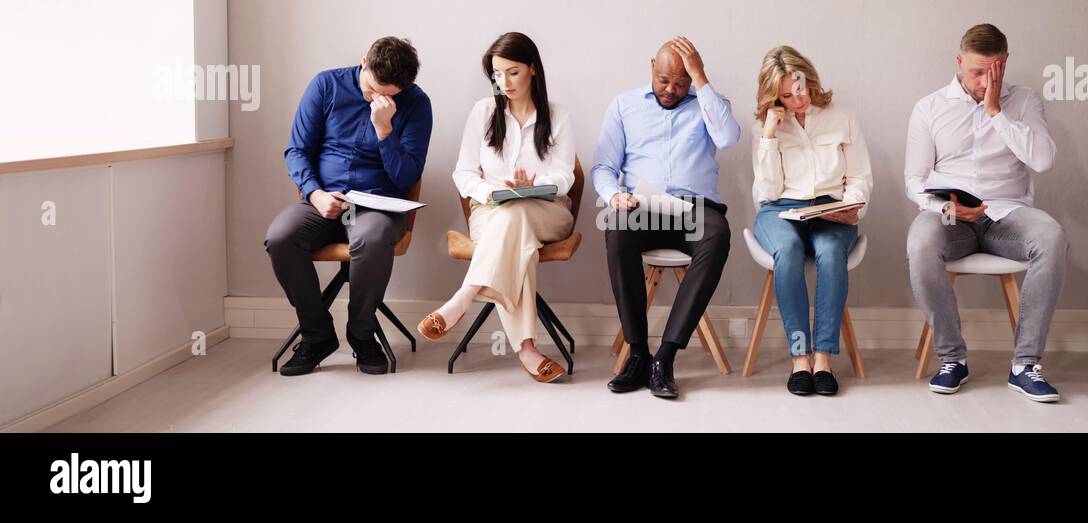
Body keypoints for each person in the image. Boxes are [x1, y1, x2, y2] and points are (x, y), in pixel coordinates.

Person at [904, 24, 1066, 402]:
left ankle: (1025, 365)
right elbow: (913, 178)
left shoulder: (1024, 102)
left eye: (993, 71)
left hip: (1006, 216)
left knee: (1052, 236)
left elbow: (1043, 161)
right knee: (920, 241)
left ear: (1005, 63)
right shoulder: (929, 108)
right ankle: (952, 359)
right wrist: (944, 206)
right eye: (976, 71)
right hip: (950, 215)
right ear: (959, 62)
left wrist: (995, 112)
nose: (984, 80)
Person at [266, 36, 432, 376]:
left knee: (370, 237)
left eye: (390, 93)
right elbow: (296, 150)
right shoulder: (326, 85)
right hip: (323, 200)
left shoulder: (416, 104)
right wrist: (314, 193)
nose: (379, 97)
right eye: (373, 88)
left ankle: (362, 334)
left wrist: (384, 131)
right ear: (364, 62)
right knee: (281, 237)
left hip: (377, 206)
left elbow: (406, 177)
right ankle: (317, 335)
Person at [417, 32, 576, 383]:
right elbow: (464, 173)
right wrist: (494, 191)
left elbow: (566, 175)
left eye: (513, 72)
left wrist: (532, 187)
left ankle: (464, 296)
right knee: (520, 242)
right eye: (497, 74)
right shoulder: (484, 112)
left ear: (533, 69)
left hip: (548, 212)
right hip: (491, 213)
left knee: (517, 214)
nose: (504, 82)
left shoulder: (557, 115)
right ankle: (528, 349)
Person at [593, 36, 741, 399]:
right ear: (651, 69)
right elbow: (603, 166)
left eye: (680, 82)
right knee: (617, 230)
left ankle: (666, 356)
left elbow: (729, 137)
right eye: (663, 81)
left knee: (717, 236)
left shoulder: (707, 104)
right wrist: (615, 196)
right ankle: (638, 353)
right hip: (643, 207)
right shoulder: (624, 105)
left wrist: (701, 78)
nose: (671, 90)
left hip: (696, 210)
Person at [750, 46, 872, 396]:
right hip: (780, 211)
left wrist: (852, 208)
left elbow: (860, 177)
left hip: (830, 209)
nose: (795, 100)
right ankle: (800, 359)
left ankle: (823, 359)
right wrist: (770, 135)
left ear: (810, 79)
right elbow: (769, 191)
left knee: (831, 252)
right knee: (786, 251)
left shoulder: (842, 116)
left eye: (798, 90)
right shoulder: (767, 125)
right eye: (785, 95)